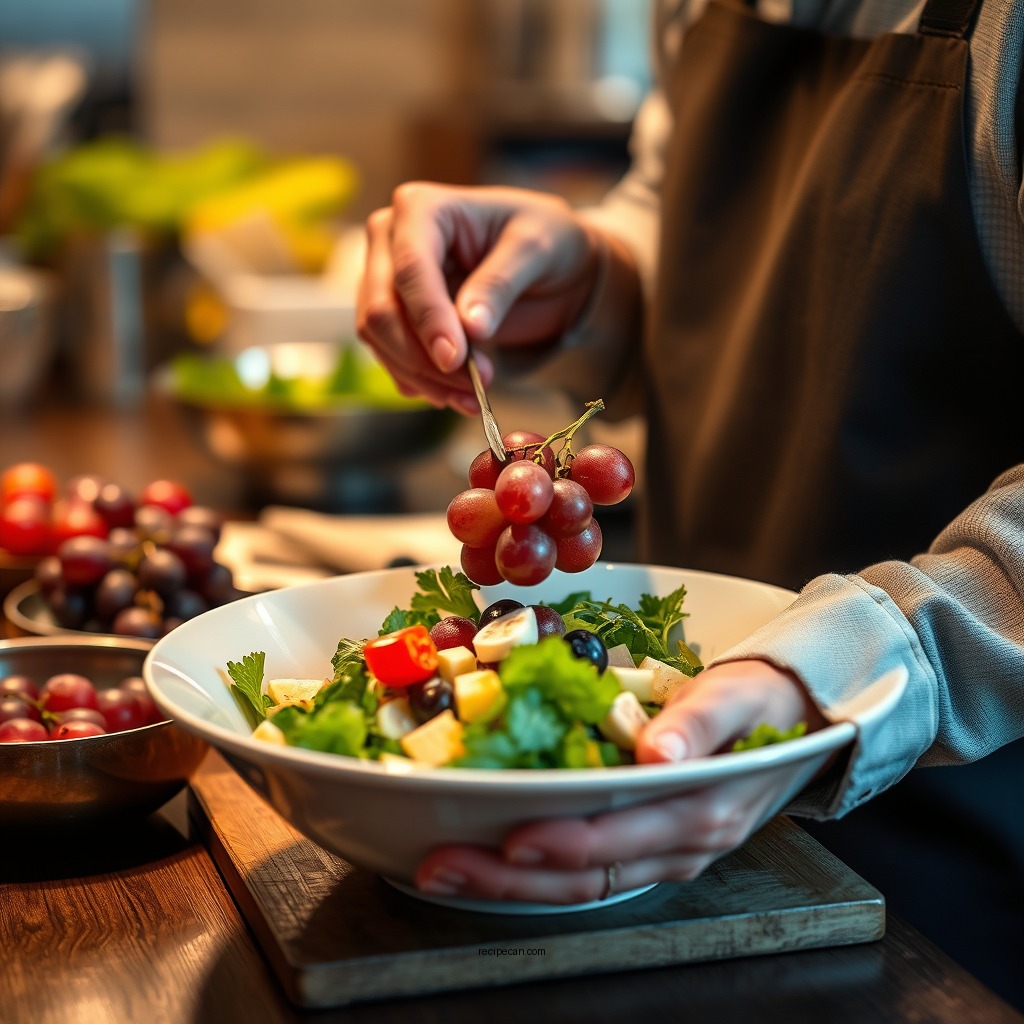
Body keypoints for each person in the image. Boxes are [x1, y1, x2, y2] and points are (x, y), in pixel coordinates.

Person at [356, 0, 1024, 1007]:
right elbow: (690, 222)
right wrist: (593, 278)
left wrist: (840, 676)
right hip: (663, 809)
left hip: (957, 891)